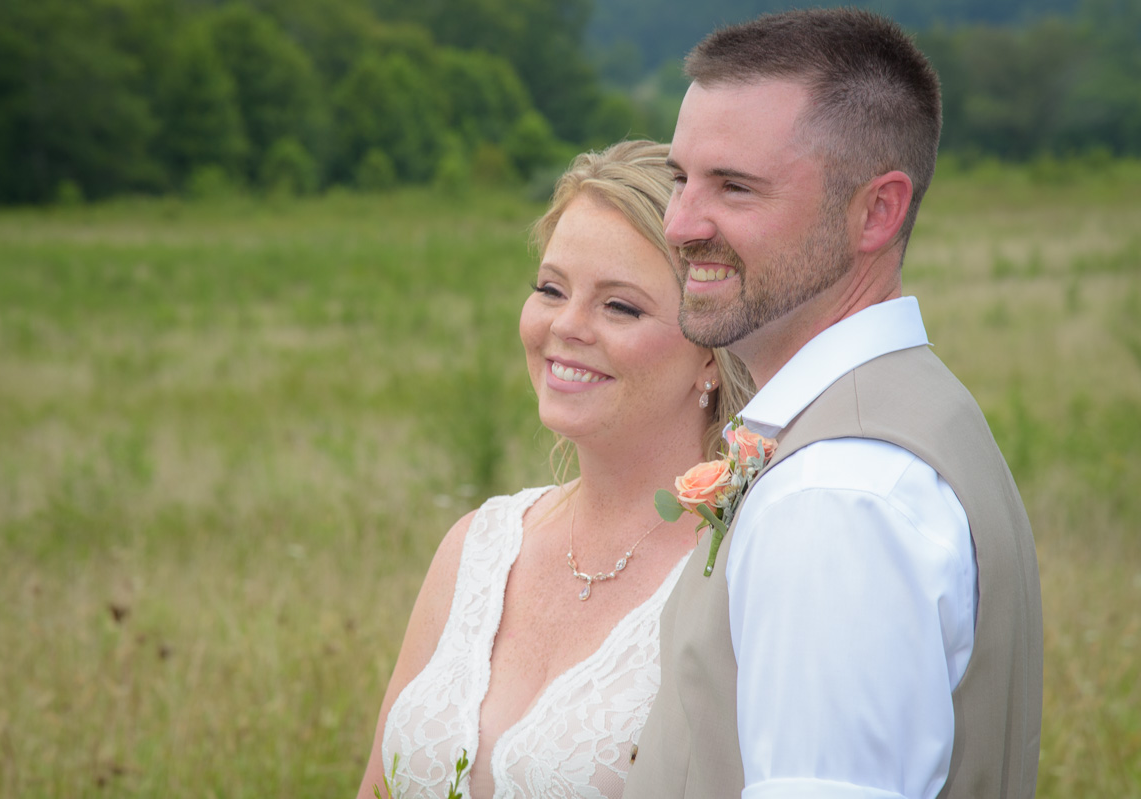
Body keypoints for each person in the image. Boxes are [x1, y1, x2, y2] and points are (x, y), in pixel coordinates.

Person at [623, 9, 1043, 799]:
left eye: (734, 186)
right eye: (681, 177)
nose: (679, 225)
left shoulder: (839, 494)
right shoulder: (915, 413)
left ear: (877, 212)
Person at [354, 140, 753, 799]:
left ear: (711, 352)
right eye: (550, 288)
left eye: (619, 305)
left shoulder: (736, 572)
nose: (566, 325)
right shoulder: (477, 547)